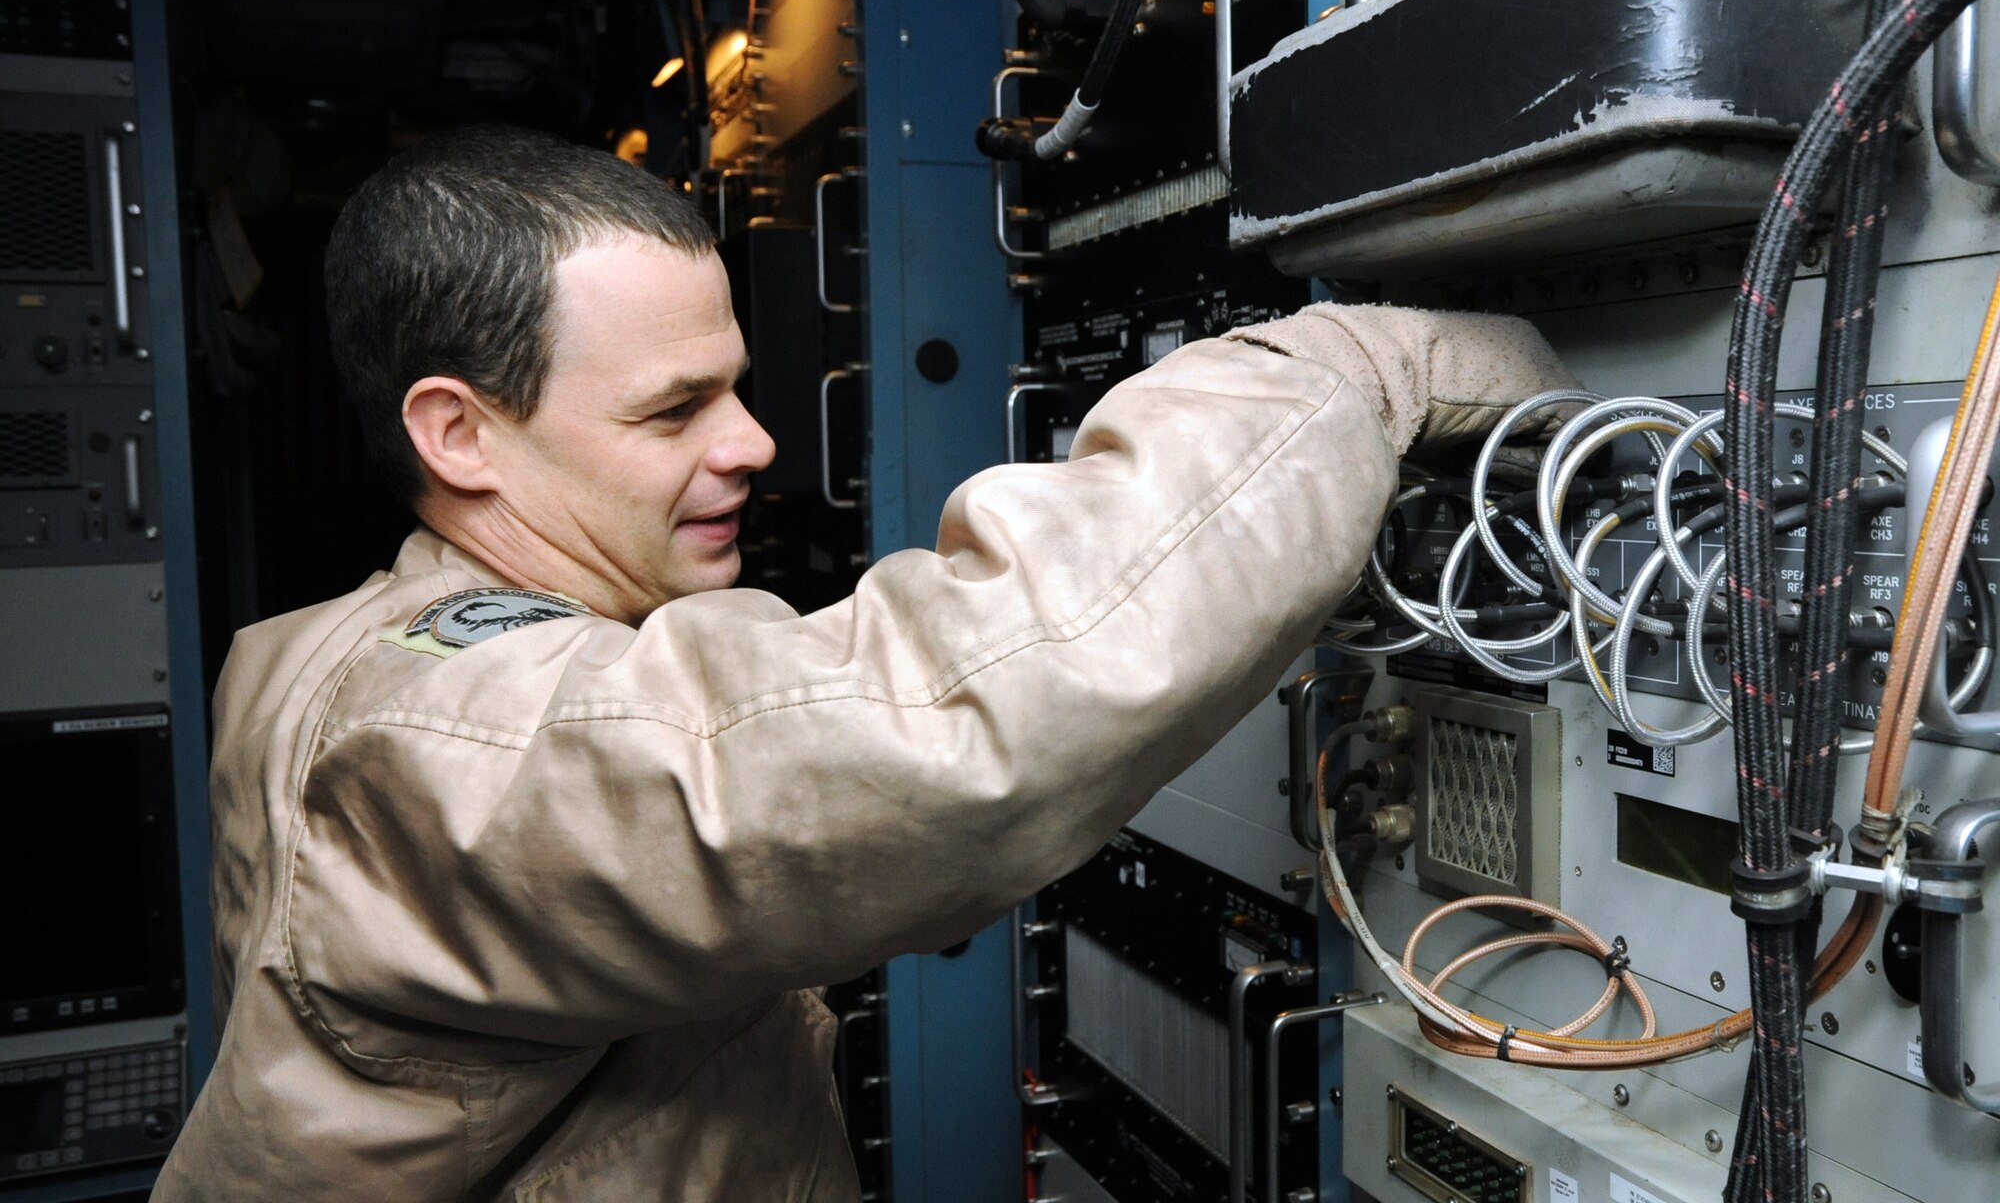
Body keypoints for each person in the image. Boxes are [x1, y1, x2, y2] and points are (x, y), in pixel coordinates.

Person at [155, 124, 1572, 1200]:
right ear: (458, 434)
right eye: (674, 410)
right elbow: (938, 730)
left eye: (743, 388)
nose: (755, 445)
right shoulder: (423, 739)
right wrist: (1344, 379)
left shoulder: (344, 661)